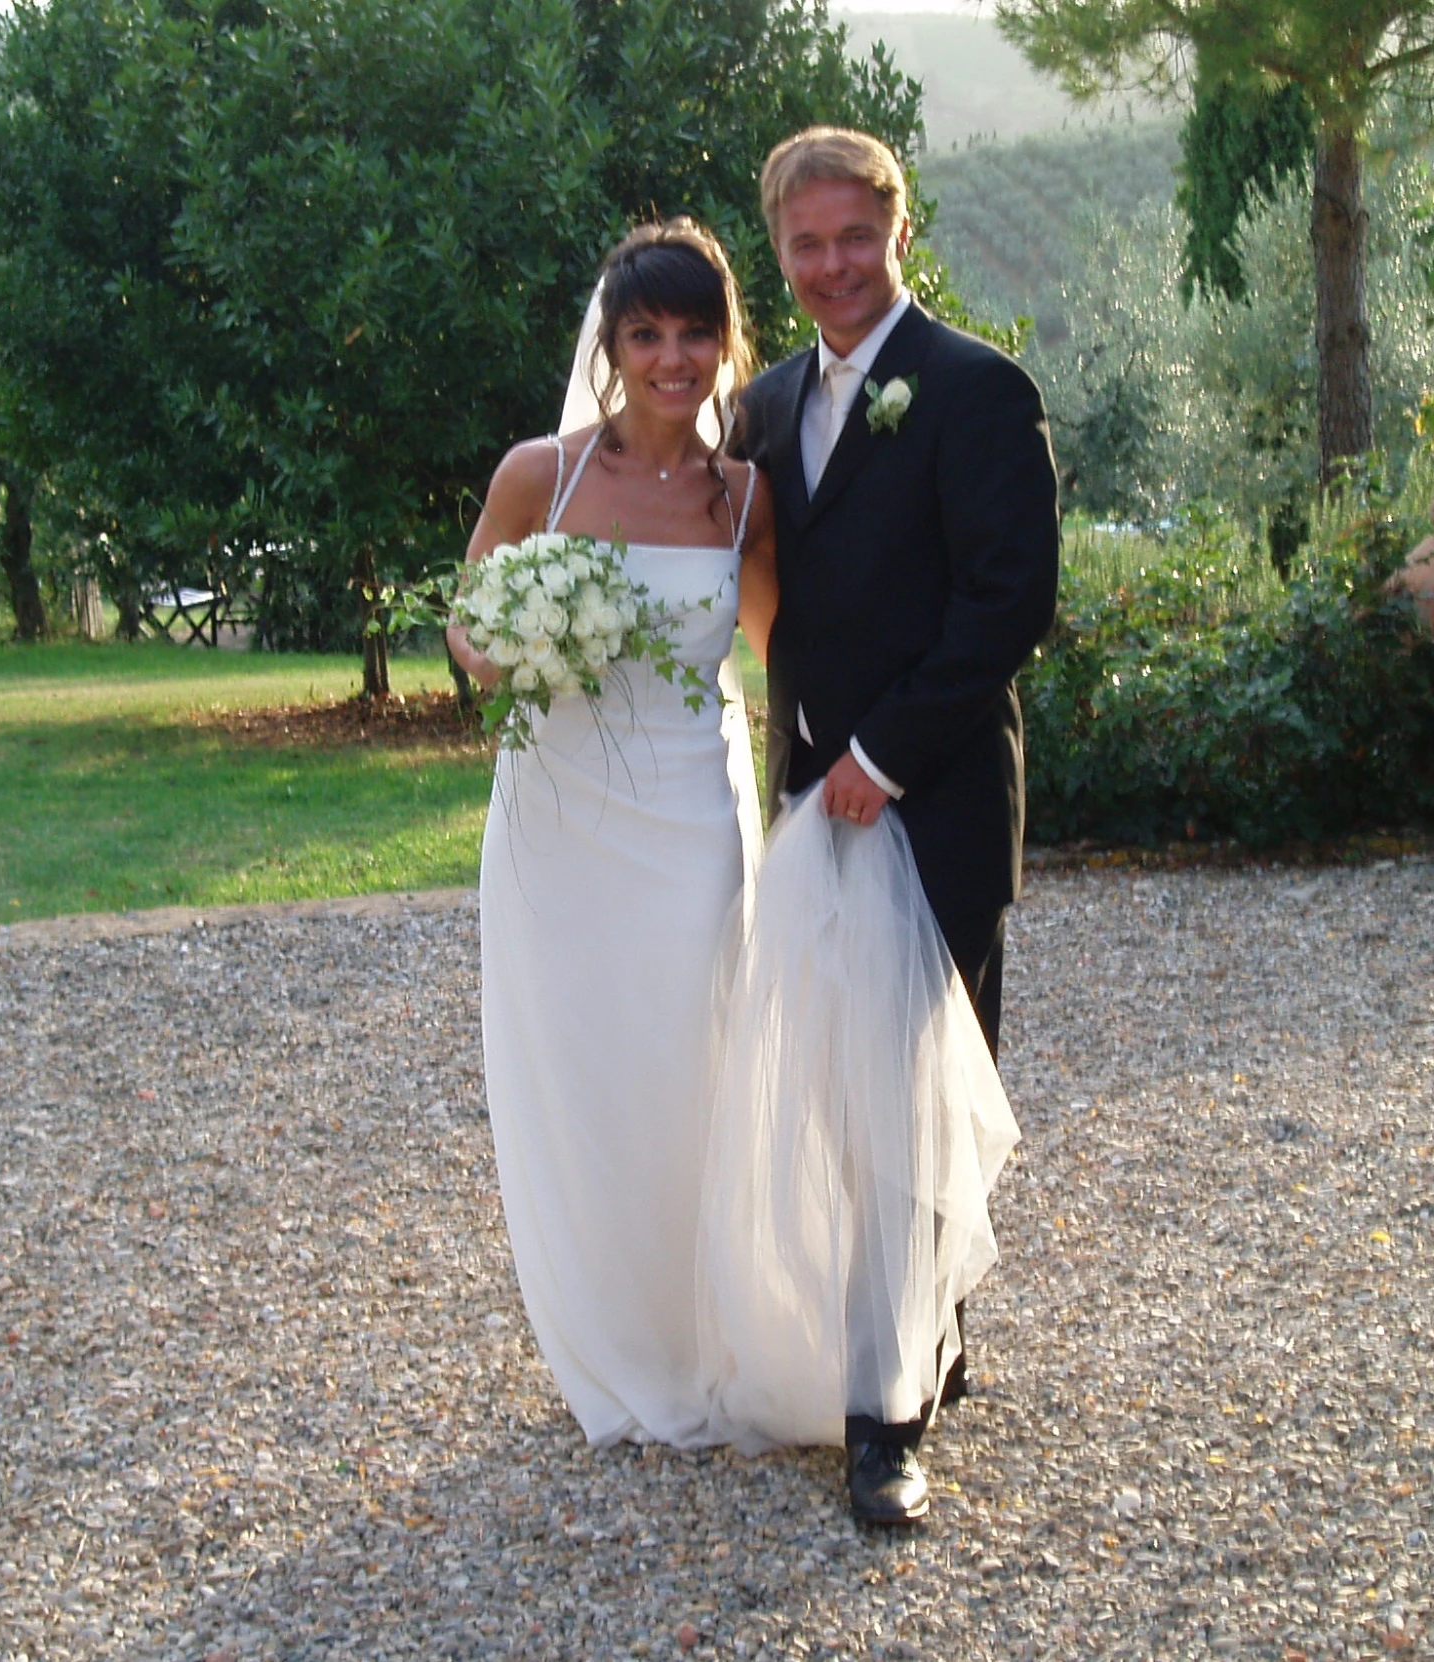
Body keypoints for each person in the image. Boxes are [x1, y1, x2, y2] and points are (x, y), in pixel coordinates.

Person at [731, 127, 1061, 1523]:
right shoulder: (760, 406)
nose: (832, 267)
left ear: (898, 230)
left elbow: (1010, 604)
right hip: (807, 802)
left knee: (920, 1104)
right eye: (806, 245)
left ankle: (889, 1423)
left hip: (930, 807)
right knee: (833, 1099)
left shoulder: (978, 390)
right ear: (781, 252)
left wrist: (882, 751)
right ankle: (908, 1340)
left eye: (854, 237)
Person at [448, 218, 776, 1447]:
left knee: (689, 1069)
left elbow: (783, 648)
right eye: (646, 332)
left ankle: (709, 1331)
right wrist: (501, 648)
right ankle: (614, 1340)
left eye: (695, 331)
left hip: (692, 822)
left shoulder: (740, 496)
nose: (672, 356)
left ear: (724, 340)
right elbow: (466, 623)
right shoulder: (544, 476)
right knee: (582, 1076)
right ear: (614, 341)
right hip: (558, 825)